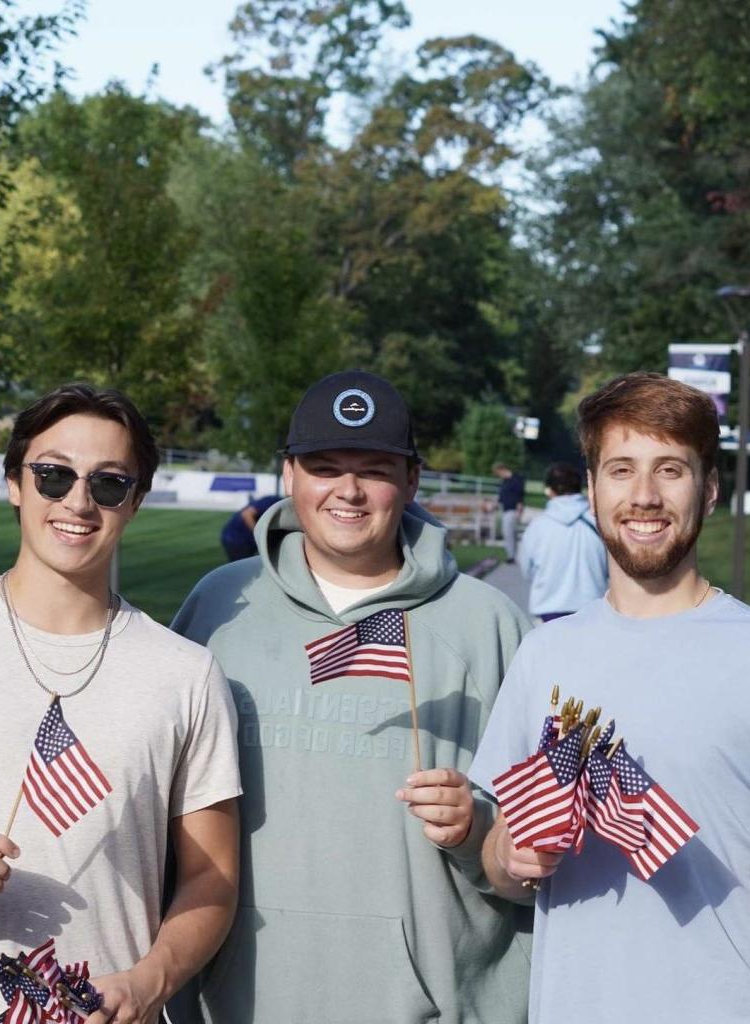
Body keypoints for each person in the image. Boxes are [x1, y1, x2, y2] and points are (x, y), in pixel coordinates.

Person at [172, 370, 534, 1024]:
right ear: (288, 475)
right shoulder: (220, 606)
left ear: (411, 480)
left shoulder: (491, 624)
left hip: (431, 1003)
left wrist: (474, 824)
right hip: (244, 999)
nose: (347, 490)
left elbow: (546, 842)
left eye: (373, 469)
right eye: (324, 466)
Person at [0, 384, 241, 1024]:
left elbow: (214, 879)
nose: (76, 501)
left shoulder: (186, 673)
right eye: (53, 475)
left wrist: (151, 981)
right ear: (16, 482)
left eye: (107, 484)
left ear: (135, 502)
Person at [470, 372, 750, 1023]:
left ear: (707, 491)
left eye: (669, 470)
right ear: (591, 490)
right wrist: (511, 859)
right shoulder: (546, 653)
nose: (644, 496)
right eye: (620, 470)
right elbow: (500, 858)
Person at [518, 461, 608, 620]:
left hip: (548, 610)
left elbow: (527, 569)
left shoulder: (538, 526)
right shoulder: (599, 522)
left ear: (549, 491)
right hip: (592, 608)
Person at [220, 494, 282, 561]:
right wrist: (259, 535)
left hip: (241, 537)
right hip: (236, 536)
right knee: (242, 566)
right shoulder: (273, 501)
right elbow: (247, 514)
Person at [493, 462, 525, 563]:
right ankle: (513, 555)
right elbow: (500, 498)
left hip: (513, 510)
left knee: (509, 533)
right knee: (509, 533)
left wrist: (519, 511)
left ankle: (512, 556)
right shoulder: (504, 482)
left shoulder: (516, 479)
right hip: (505, 509)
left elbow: (520, 496)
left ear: (502, 469)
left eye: (498, 473)